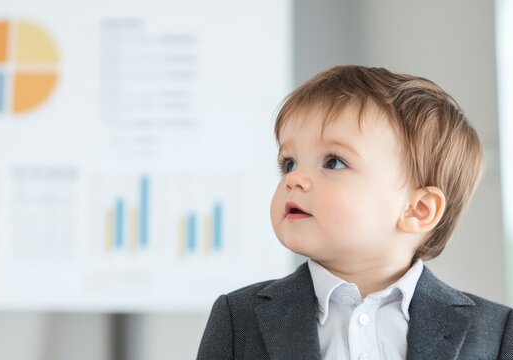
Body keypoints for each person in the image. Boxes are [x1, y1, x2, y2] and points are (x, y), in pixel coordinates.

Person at [196, 65, 513, 359]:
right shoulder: (238, 317)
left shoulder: (496, 331)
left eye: (333, 162)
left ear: (418, 210)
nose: (294, 179)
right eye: (289, 163)